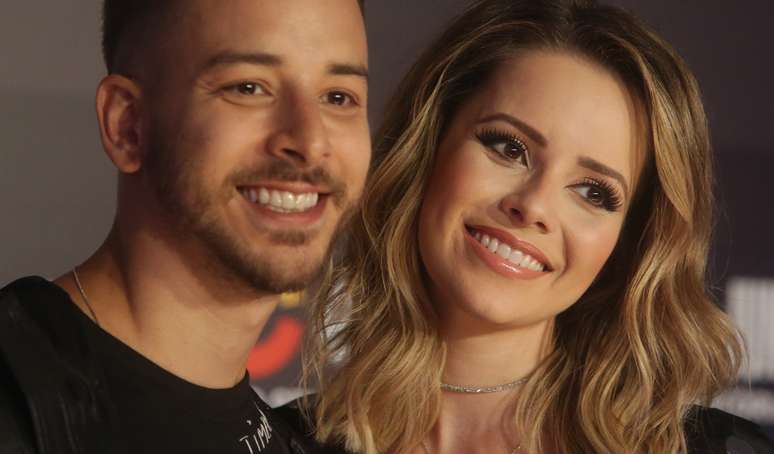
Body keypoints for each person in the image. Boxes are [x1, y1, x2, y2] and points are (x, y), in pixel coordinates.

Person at [287, 0, 774, 453]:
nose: (534, 205)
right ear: (427, 147)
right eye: (508, 147)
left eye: (593, 192)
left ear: (629, 244)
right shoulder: (282, 442)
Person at [0, 0, 369, 453]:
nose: (311, 143)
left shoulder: (308, 436)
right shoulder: (18, 401)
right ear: (127, 125)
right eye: (249, 87)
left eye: (338, 97)